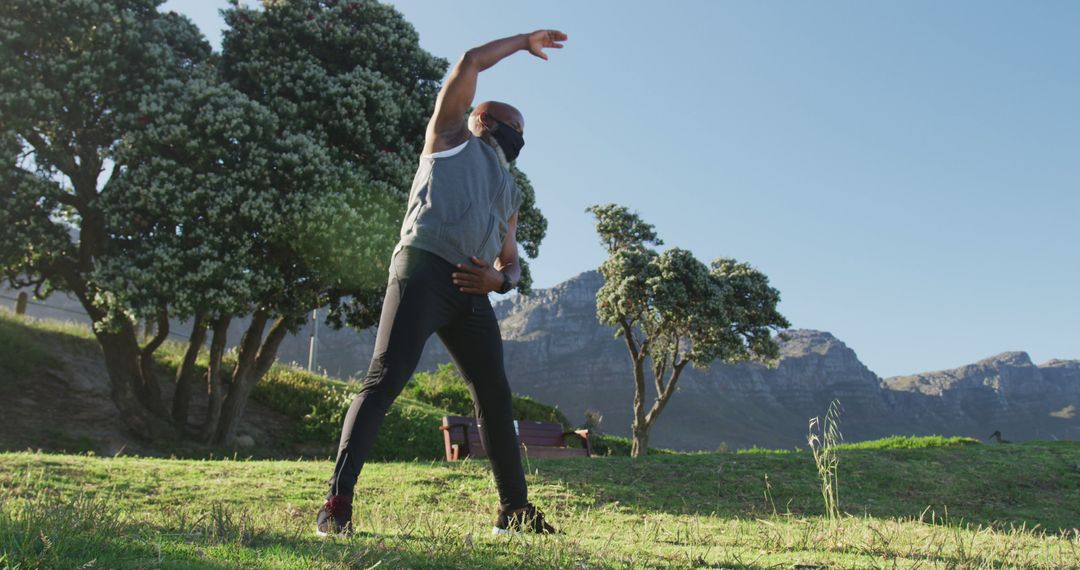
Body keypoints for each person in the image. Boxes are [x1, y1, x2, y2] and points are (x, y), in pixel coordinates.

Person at [316, 29, 568, 537]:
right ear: (481, 120)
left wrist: (498, 280)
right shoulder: (450, 137)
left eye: (522, 130)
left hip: (472, 293)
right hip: (424, 267)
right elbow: (470, 60)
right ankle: (337, 504)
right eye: (508, 124)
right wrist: (523, 43)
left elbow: (514, 264)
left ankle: (514, 513)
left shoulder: (512, 192)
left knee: (495, 396)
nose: (516, 134)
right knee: (386, 377)